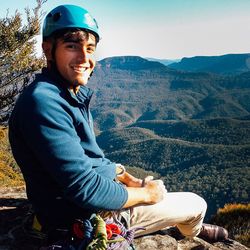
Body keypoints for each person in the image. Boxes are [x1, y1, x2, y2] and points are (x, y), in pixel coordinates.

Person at [8, 4, 228, 248]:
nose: (84, 58)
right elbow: (86, 190)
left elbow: (88, 159)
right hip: (86, 218)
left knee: (159, 193)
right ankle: (190, 232)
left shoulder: (62, 94)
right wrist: (147, 195)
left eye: (90, 48)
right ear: (48, 50)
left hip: (77, 207)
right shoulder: (45, 102)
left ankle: (174, 224)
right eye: (72, 46)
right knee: (197, 204)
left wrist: (124, 176)